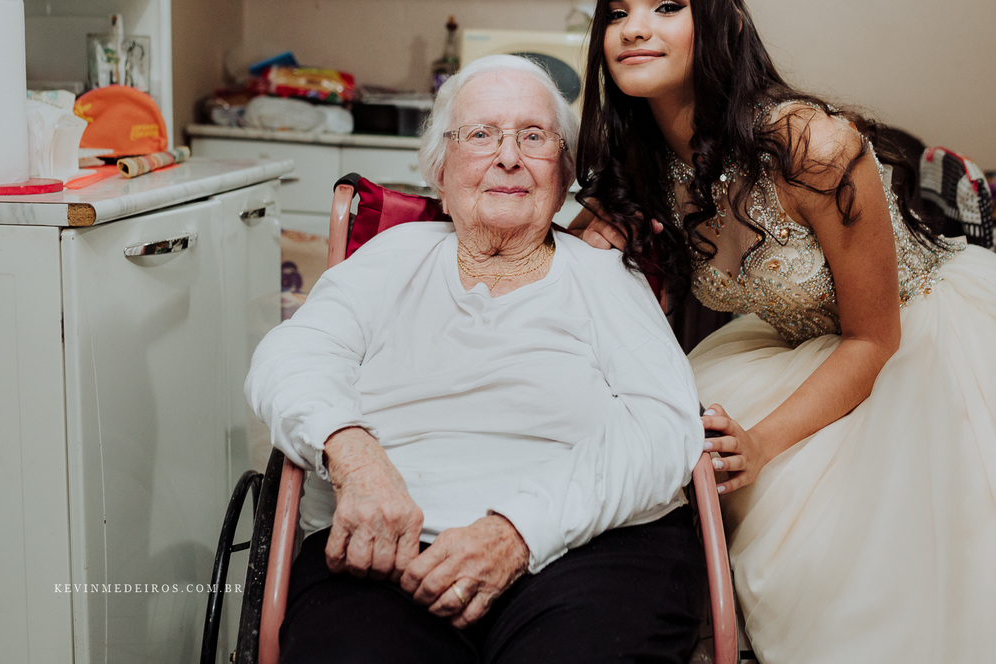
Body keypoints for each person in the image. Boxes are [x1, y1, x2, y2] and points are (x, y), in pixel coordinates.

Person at [572, 0, 996, 663]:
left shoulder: (812, 147)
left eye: (666, 5)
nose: (634, 28)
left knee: (864, 565)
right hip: (790, 343)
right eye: (616, 12)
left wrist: (762, 445)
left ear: (723, 22)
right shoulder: (645, 157)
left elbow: (875, 338)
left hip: (921, 343)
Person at [246, 54, 707, 664]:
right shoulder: (393, 257)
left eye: (534, 136)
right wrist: (355, 456)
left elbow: (662, 426)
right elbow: (292, 355)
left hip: (593, 549)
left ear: (565, 172)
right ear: (440, 168)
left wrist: (516, 532)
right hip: (390, 543)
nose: (509, 157)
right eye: (482, 134)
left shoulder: (603, 278)